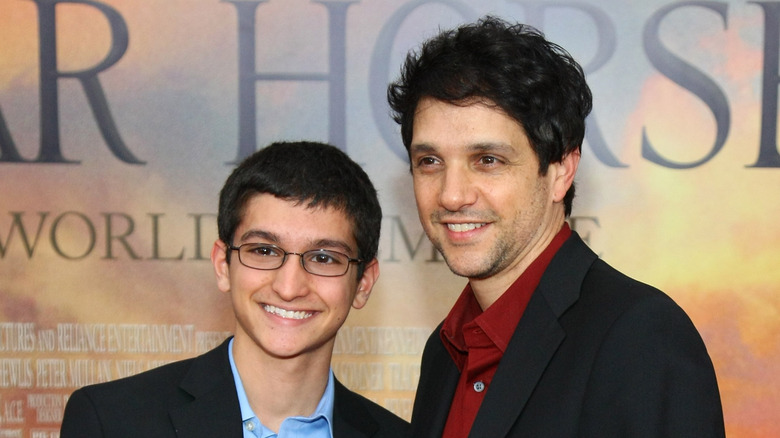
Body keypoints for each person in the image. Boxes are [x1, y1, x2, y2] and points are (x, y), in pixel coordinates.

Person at [387, 16, 725, 438]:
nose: (452, 195)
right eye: (430, 162)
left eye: (488, 160)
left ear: (561, 169)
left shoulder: (641, 339)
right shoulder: (443, 351)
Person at [60, 141, 410, 437]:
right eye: (263, 251)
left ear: (363, 282)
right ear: (222, 265)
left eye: (323, 258)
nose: (289, 287)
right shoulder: (111, 421)